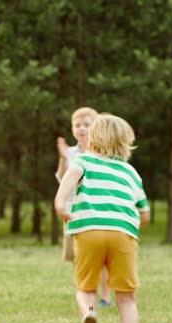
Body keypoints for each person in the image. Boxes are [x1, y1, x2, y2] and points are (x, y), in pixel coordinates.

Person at [54, 114, 150, 323]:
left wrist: (61, 204)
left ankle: (89, 313)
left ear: (93, 139)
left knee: (86, 288)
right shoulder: (131, 172)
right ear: (125, 142)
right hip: (122, 236)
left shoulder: (83, 160)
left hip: (88, 231)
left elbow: (69, 178)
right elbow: (145, 213)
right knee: (127, 299)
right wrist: (127, 227)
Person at [56, 107, 112, 307]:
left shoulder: (101, 153)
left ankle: (105, 296)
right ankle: (85, 294)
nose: (81, 129)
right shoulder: (70, 153)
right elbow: (61, 178)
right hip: (72, 212)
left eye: (86, 125)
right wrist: (63, 157)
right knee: (76, 256)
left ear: (95, 128)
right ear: (72, 130)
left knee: (101, 257)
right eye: (77, 125)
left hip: (95, 211)